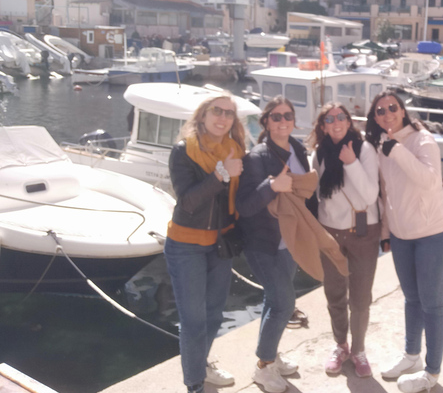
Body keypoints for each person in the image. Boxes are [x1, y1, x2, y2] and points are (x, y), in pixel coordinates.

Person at [366, 90, 443, 393]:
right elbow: (386, 192)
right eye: (380, 111)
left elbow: (431, 180)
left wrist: (398, 150)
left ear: (402, 111)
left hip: (434, 235)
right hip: (402, 238)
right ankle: (411, 355)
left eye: (392, 108)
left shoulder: (421, 140)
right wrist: (386, 233)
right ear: (375, 117)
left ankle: (431, 372)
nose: (387, 113)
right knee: (411, 300)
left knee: (431, 304)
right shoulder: (381, 145)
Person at [164, 93, 246, 393]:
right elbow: (187, 202)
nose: (222, 117)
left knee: (214, 313)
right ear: (202, 115)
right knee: (194, 319)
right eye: (217, 111)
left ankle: (202, 364)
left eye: (229, 113)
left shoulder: (236, 150)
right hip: (186, 245)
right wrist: (222, 174)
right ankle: (195, 383)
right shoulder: (183, 151)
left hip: (220, 246)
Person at [235, 96, 312, 393]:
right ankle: (264, 367)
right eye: (276, 117)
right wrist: (271, 186)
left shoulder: (298, 149)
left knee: (274, 301)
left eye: (288, 116)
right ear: (266, 122)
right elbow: (245, 205)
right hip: (262, 243)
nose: (283, 121)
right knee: (284, 303)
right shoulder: (257, 157)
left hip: (290, 240)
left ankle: (272, 355)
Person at [308, 102, 383, 378]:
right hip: (330, 232)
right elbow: (314, 195)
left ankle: (359, 349)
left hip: (363, 231)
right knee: (335, 293)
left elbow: (369, 196)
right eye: (330, 119)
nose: (336, 122)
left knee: (361, 297)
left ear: (349, 122)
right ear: (323, 125)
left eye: (342, 117)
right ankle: (341, 344)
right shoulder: (318, 154)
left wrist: (350, 164)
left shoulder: (363, 149)